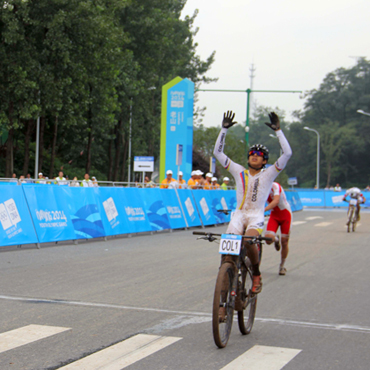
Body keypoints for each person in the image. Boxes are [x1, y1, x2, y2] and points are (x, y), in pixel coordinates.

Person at [213, 110, 292, 294]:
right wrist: (223, 129)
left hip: (255, 215)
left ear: (264, 160)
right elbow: (217, 152)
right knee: (227, 257)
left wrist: (278, 131)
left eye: (259, 154)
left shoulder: (270, 173)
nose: (254, 155)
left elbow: (287, 153)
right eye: (252, 153)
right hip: (238, 215)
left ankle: (256, 274)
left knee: (248, 240)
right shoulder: (238, 171)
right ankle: (225, 296)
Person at [264, 182, 292, 276]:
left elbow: (275, 201)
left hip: (285, 215)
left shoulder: (275, 186)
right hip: (274, 215)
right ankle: (275, 239)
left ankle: (282, 266)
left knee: (284, 241)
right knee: (268, 239)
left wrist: (263, 210)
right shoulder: (259, 188)